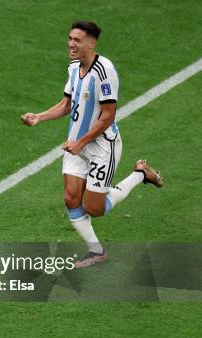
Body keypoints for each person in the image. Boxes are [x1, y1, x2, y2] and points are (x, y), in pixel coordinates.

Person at [21, 21, 163, 268]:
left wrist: (81, 143)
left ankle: (140, 174)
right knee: (70, 198)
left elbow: (108, 116)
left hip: (101, 148)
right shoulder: (74, 67)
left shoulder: (105, 71)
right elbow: (67, 104)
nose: (71, 44)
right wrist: (39, 117)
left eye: (77, 40)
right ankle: (96, 251)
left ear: (92, 43)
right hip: (76, 144)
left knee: (94, 208)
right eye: (70, 38)